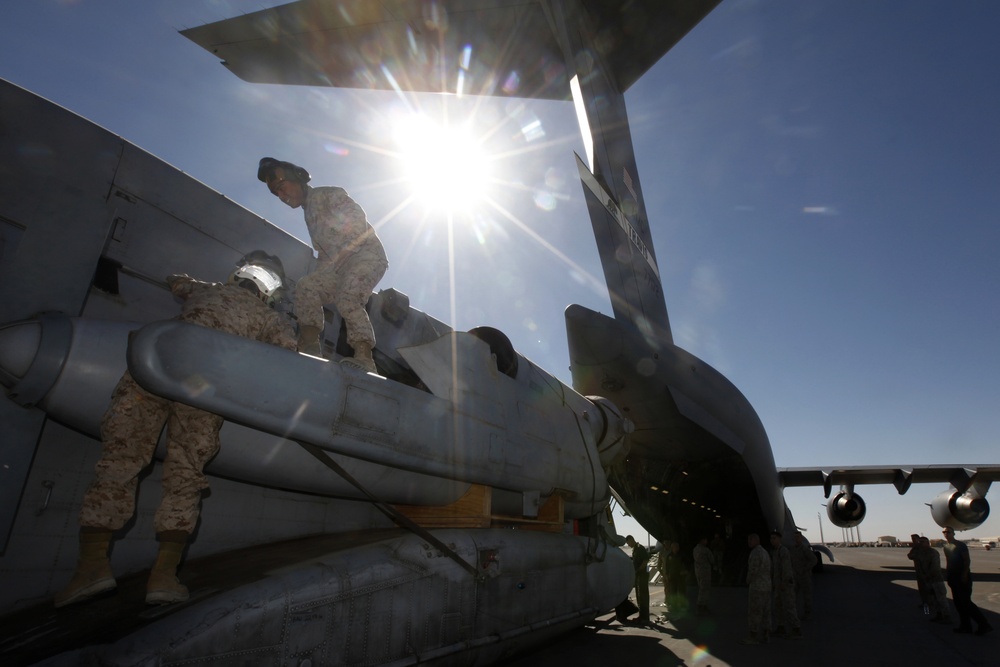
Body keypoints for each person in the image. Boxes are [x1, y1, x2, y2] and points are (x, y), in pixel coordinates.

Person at [55, 254, 297, 607]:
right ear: (269, 291)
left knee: (119, 462)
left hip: (154, 369)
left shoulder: (206, 289)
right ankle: (164, 578)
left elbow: (176, 281)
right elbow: (288, 355)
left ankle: (92, 567)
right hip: (202, 389)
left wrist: (183, 281)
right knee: (185, 476)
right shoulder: (269, 318)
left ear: (238, 275)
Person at [257, 157, 388, 372]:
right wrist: (322, 275)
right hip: (339, 266)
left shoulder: (328, 194)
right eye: (276, 193)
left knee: (348, 296)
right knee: (307, 286)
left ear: (297, 179)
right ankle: (308, 347)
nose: (281, 196)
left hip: (366, 256)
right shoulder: (308, 214)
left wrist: (347, 247)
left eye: (282, 187)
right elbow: (325, 253)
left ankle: (365, 358)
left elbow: (356, 218)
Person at [942, 526, 993, 635]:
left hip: (962, 576)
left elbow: (967, 560)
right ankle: (965, 626)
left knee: (966, 602)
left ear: (953, 533)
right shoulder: (946, 546)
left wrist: (964, 574)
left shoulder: (961, 545)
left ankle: (984, 624)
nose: (946, 533)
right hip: (952, 577)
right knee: (958, 603)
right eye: (944, 532)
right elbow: (948, 561)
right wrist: (948, 575)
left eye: (948, 532)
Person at [770, 530, 802, 639]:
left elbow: (787, 568)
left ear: (779, 539)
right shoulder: (775, 552)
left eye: (774, 538)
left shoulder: (783, 551)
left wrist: (784, 582)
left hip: (785, 585)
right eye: (771, 538)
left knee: (789, 606)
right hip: (778, 584)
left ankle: (796, 629)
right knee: (778, 606)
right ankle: (781, 627)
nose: (772, 540)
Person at [741, 533, 772, 645]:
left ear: (755, 540)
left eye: (750, 541)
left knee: (755, 611)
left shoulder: (755, 553)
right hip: (766, 586)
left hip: (757, 587)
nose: (749, 543)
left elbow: (753, 570)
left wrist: (748, 580)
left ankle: (753, 636)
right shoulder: (765, 552)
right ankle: (766, 634)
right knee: (766, 612)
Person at [916, 536, 952, 624]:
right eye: (919, 542)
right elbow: (911, 557)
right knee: (934, 599)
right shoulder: (921, 553)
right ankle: (939, 615)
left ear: (928, 543)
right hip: (928, 580)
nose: (920, 543)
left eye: (923, 542)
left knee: (941, 599)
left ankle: (947, 617)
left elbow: (935, 568)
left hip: (936, 579)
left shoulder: (933, 552)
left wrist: (927, 576)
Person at [625, 535, 650, 623]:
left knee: (643, 596)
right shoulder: (635, 549)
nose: (628, 545)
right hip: (638, 575)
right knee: (639, 596)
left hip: (642, 575)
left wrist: (639, 570)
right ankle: (641, 616)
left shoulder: (640, 548)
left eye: (628, 543)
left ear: (631, 540)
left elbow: (646, 560)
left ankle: (645, 617)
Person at [790, 530, 815, 619]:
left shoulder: (804, 549)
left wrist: (805, 569)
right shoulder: (793, 549)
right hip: (795, 576)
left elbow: (814, 560)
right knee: (793, 595)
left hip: (804, 576)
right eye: (795, 537)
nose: (796, 539)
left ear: (801, 538)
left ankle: (807, 613)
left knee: (806, 596)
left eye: (798, 537)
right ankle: (793, 613)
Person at [662, 540, 688, 616]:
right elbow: (666, 566)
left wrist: (686, 571)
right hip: (672, 577)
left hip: (680, 576)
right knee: (673, 592)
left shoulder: (682, 555)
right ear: (672, 548)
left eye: (677, 547)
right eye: (674, 547)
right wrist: (666, 574)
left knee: (682, 591)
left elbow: (688, 564)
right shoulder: (669, 556)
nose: (676, 548)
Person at [693, 535, 714, 615]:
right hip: (705, 572)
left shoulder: (695, 549)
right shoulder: (705, 550)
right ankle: (701, 606)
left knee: (701, 588)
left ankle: (702, 606)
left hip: (698, 571)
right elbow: (712, 560)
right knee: (704, 589)